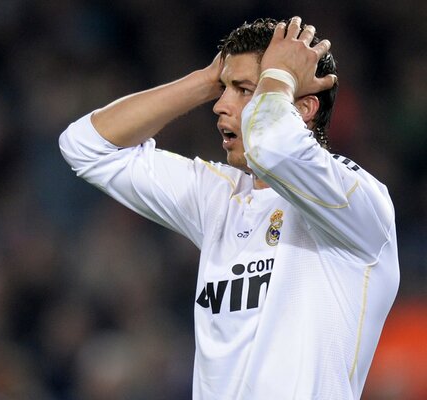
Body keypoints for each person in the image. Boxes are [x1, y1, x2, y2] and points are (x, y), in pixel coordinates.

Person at [59, 16, 399, 399]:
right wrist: (205, 79)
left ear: (302, 108)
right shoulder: (219, 196)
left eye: (243, 90)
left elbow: (273, 148)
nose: (220, 105)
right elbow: (85, 146)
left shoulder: (356, 203)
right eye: (223, 90)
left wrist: (279, 77)